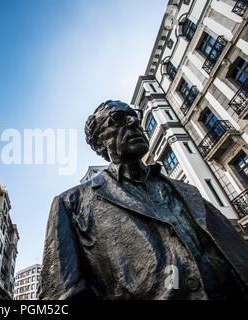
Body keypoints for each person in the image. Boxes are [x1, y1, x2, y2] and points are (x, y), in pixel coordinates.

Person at [38, 100, 248, 300]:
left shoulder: (188, 191)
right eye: (117, 118)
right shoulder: (71, 204)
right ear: (100, 141)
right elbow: (61, 294)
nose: (133, 122)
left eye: (134, 116)